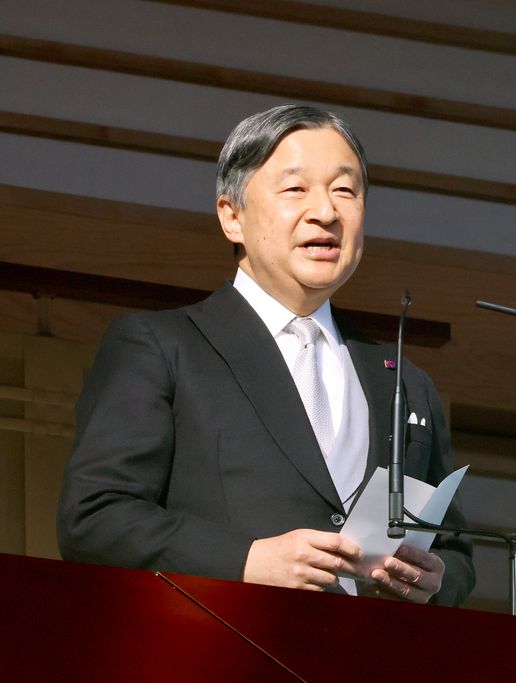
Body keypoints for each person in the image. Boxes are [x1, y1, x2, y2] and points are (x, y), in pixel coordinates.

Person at [57, 105, 473, 606]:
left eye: (345, 190)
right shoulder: (161, 347)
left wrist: (435, 580)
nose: (325, 212)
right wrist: (246, 561)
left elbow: (456, 553)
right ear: (232, 217)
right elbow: (94, 517)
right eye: (296, 189)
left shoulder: (404, 381)